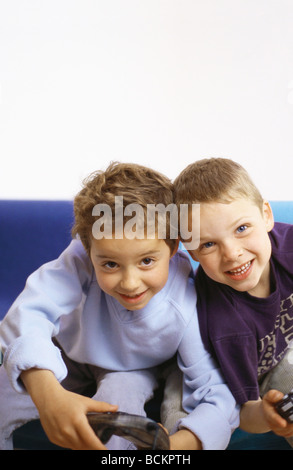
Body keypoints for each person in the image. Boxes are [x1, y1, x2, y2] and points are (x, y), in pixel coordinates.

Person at [0, 162, 239, 451]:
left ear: (174, 247)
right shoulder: (81, 258)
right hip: (67, 355)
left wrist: (186, 441)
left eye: (147, 261)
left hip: (132, 371)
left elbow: (215, 389)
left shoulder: (186, 300)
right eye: (110, 264)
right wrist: (47, 394)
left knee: (118, 414)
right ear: (89, 251)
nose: (130, 283)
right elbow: (29, 313)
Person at [172, 157, 293, 445]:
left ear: (266, 215)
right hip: (231, 374)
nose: (232, 253)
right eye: (208, 244)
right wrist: (266, 416)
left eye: (241, 229)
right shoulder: (223, 320)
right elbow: (244, 412)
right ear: (190, 250)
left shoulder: (289, 248)